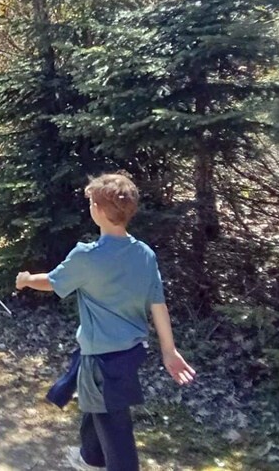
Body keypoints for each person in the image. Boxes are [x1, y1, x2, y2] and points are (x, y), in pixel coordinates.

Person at [15, 174, 196, 471]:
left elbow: (50, 281)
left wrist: (25, 280)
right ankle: (90, 458)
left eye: (90, 202)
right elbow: (157, 304)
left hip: (101, 361)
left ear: (97, 210)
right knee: (94, 405)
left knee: (114, 426)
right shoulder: (144, 254)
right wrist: (169, 350)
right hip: (131, 352)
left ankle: (106, 462)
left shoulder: (87, 256)